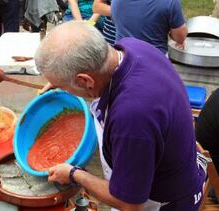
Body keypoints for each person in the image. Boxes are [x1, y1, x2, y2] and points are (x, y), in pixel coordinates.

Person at [35, 21, 205, 210]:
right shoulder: (132, 47)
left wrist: (74, 174)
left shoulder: (131, 117)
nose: (61, 89)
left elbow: (130, 204)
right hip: (170, 160)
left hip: (165, 201)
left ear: (85, 80)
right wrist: (63, 81)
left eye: (63, 86)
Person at [111, 0, 187, 54]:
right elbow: (180, 37)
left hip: (122, 58)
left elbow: (116, 21)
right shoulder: (171, 2)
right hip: (154, 61)